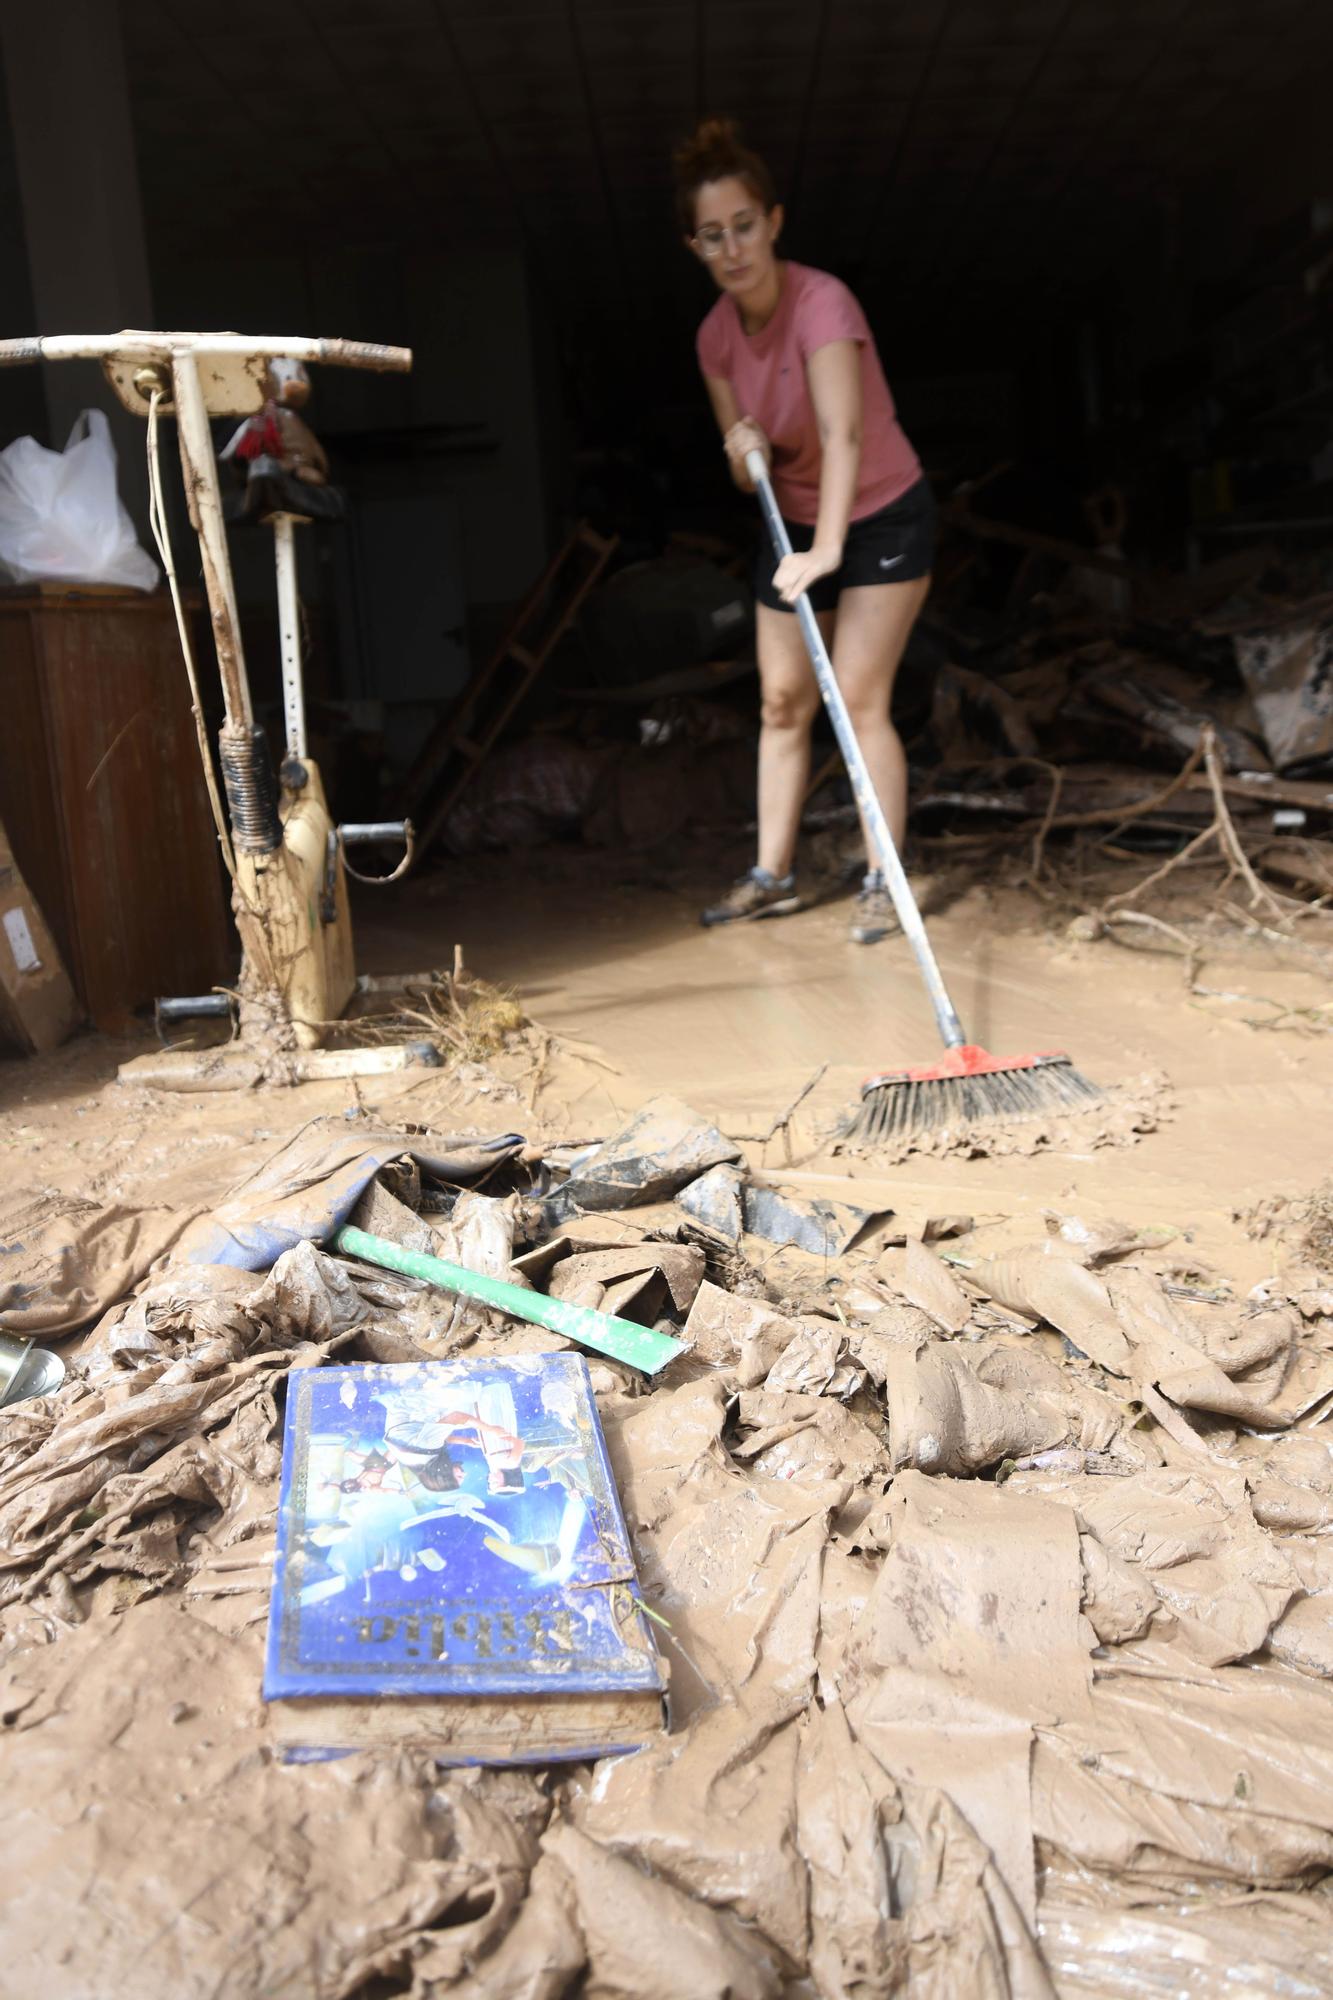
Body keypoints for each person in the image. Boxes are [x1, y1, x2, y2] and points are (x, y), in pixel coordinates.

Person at [675, 118, 934, 943]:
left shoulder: (823, 302)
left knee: (857, 698)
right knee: (782, 700)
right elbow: (738, 457)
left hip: (881, 509)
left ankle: (882, 881)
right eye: (712, 236)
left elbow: (845, 435)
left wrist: (827, 553)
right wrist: (741, 444)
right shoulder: (715, 336)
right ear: (695, 246)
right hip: (791, 518)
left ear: (773, 222)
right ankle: (771, 874)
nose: (732, 247)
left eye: (744, 226)